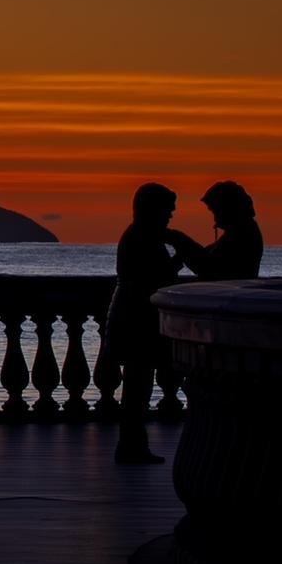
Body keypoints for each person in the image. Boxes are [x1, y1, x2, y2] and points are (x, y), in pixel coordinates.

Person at [107, 183, 183, 464]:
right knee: (137, 386)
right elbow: (155, 277)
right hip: (136, 320)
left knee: (138, 386)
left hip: (132, 317)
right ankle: (131, 446)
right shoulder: (143, 237)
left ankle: (132, 445)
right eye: (167, 210)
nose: (170, 216)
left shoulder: (139, 235)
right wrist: (181, 258)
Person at [166, 180, 263, 281]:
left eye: (215, 211)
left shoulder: (243, 234)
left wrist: (178, 239)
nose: (215, 218)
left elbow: (207, 267)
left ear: (228, 208)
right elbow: (205, 256)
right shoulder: (238, 232)